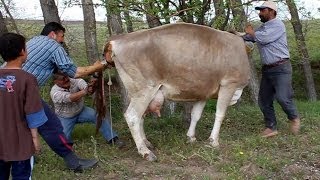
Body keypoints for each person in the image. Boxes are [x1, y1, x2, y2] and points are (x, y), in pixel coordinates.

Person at [22, 22, 108, 172]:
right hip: (24, 93)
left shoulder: (33, 41)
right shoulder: (53, 45)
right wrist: (98, 66)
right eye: (61, 36)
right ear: (52, 34)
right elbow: (74, 72)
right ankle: (74, 163)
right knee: (52, 126)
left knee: (14, 127)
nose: (62, 40)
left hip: (8, 87)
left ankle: (24, 159)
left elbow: (62, 70)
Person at [242, 1, 300, 137]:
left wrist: (251, 34)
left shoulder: (278, 25)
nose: (260, 13)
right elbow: (251, 38)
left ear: (272, 11)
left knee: (282, 97)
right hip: (267, 69)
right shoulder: (263, 27)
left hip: (281, 67)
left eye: (263, 10)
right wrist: (236, 35)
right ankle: (271, 127)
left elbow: (264, 38)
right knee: (264, 99)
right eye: (260, 10)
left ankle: (294, 118)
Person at [0, 33, 47, 179]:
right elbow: (32, 112)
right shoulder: (28, 79)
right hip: (20, 143)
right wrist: (34, 139)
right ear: (22, 51)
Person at [50, 71, 125, 147]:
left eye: (66, 77)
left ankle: (113, 139)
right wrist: (85, 91)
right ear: (56, 82)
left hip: (81, 111)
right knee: (62, 139)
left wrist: (89, 87)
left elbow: (82, 84)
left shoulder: (74, 80)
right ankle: (67, 150)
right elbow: (71, 98)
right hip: (65, 117)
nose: (66, 79)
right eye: (63, 79)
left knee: (98, 116)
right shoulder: (55, 93)